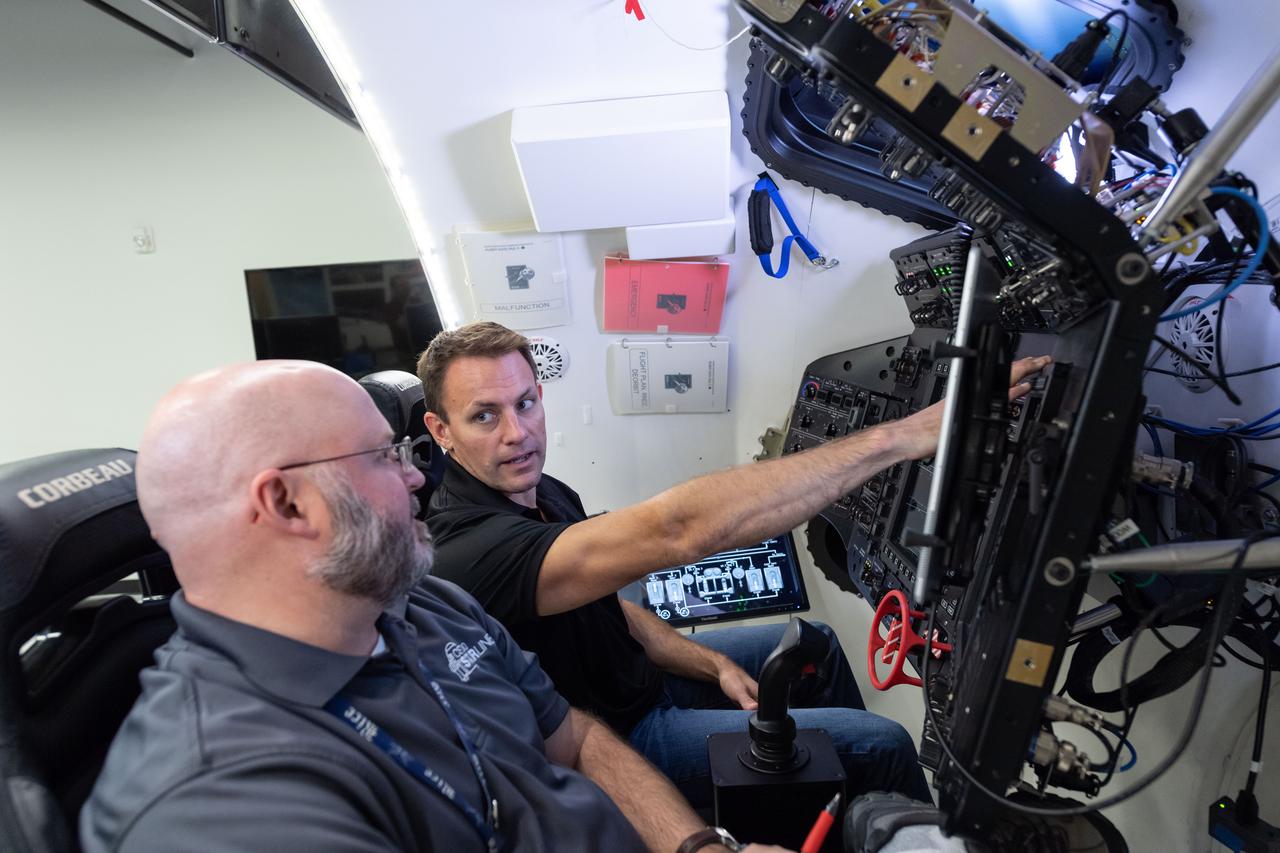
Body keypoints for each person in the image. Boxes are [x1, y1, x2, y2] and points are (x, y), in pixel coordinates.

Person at [81, 360, 787, 853]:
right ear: (287, 502)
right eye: (387, 456)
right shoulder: (226, 802)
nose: (418, 477)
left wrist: (697, 844)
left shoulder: (421, 603)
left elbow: (574, 739)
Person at [418, 322, 1049, 809]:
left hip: (643, 682)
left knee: (817, 646)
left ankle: (837, 812)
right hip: (617, 737)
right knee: (880, 744)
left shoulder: (546, 491)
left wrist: (713, 662)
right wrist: (899, 438)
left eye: (525, 403)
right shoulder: (470, 548)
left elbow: (616, 612)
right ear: (440, 432)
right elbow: (678, 529)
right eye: (484, 416)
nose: (517, 432)